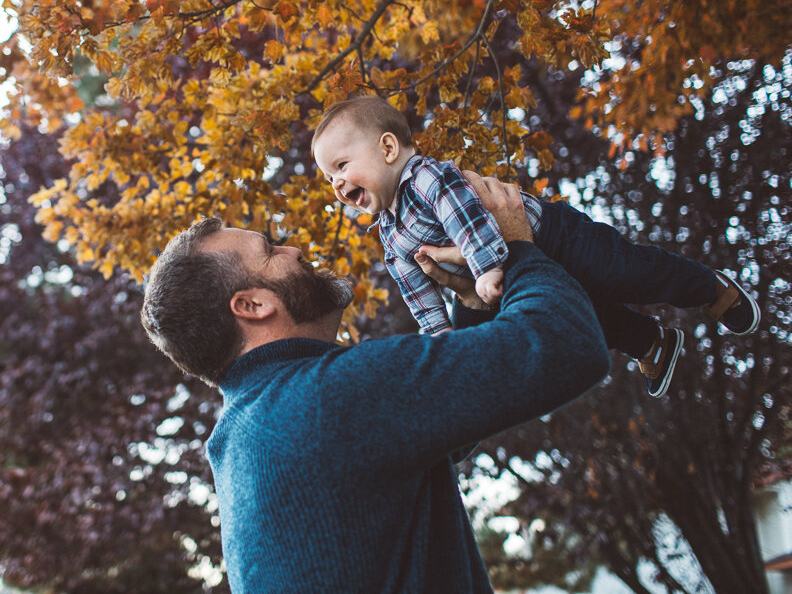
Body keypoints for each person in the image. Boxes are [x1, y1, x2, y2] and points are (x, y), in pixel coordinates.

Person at [140, 176, 610, 593]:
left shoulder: (249, 432)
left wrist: (477, 298)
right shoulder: (328, 398)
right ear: (252, 305)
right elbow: (565, 344)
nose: (294, 250)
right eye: (270, 252)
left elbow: (454, 411)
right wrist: (515, 246)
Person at [311, 95, 761, 397]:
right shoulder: (389, 233)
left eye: (342, 165)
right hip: (509, 276)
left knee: (624, 272)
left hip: (551, 236)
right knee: (582, 316)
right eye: (328, 176)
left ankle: (707, 287)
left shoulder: (423, 176)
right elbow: (417, 292)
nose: (335, 182)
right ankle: (652, 343)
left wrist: (484, 265)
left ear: (388, 147)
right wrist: (440, 340)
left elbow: (462, 216)